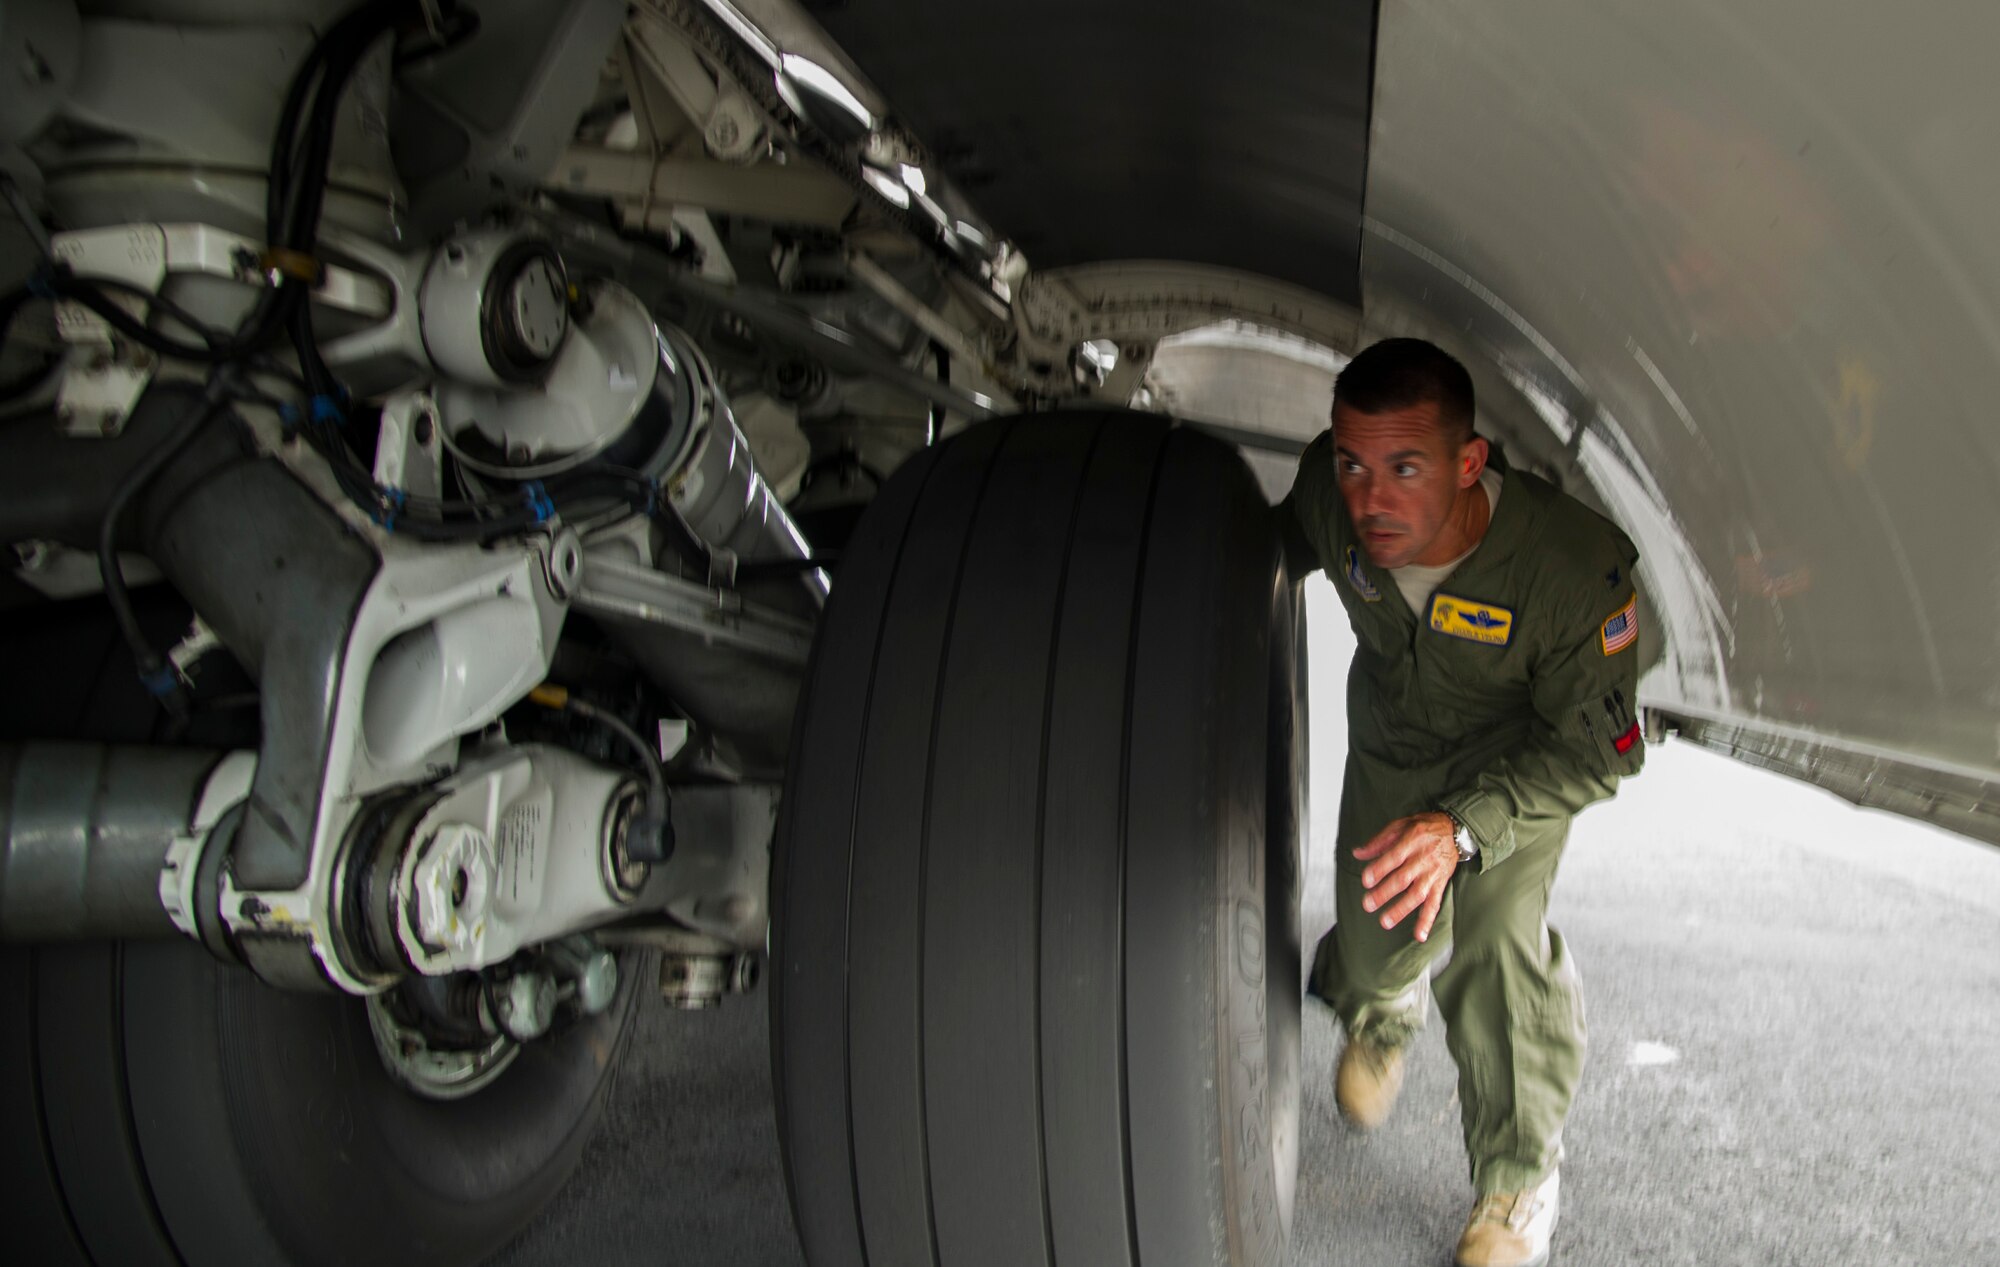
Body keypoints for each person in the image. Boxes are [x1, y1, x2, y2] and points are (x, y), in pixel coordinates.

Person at [1278, 337, 1647, 1267]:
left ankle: (1517, 1181)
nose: (1372, 499)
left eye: (1406, 467)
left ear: (1469, 461)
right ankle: (1379, 1012)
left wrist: (1463, 830)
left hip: (1513, 769)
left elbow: (1595, 757)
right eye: (1355, 462)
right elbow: (1264, 546)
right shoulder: (1330, 499)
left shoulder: (1568, 572)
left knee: (1492, 949)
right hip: (1396, 749)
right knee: (1370, 943)